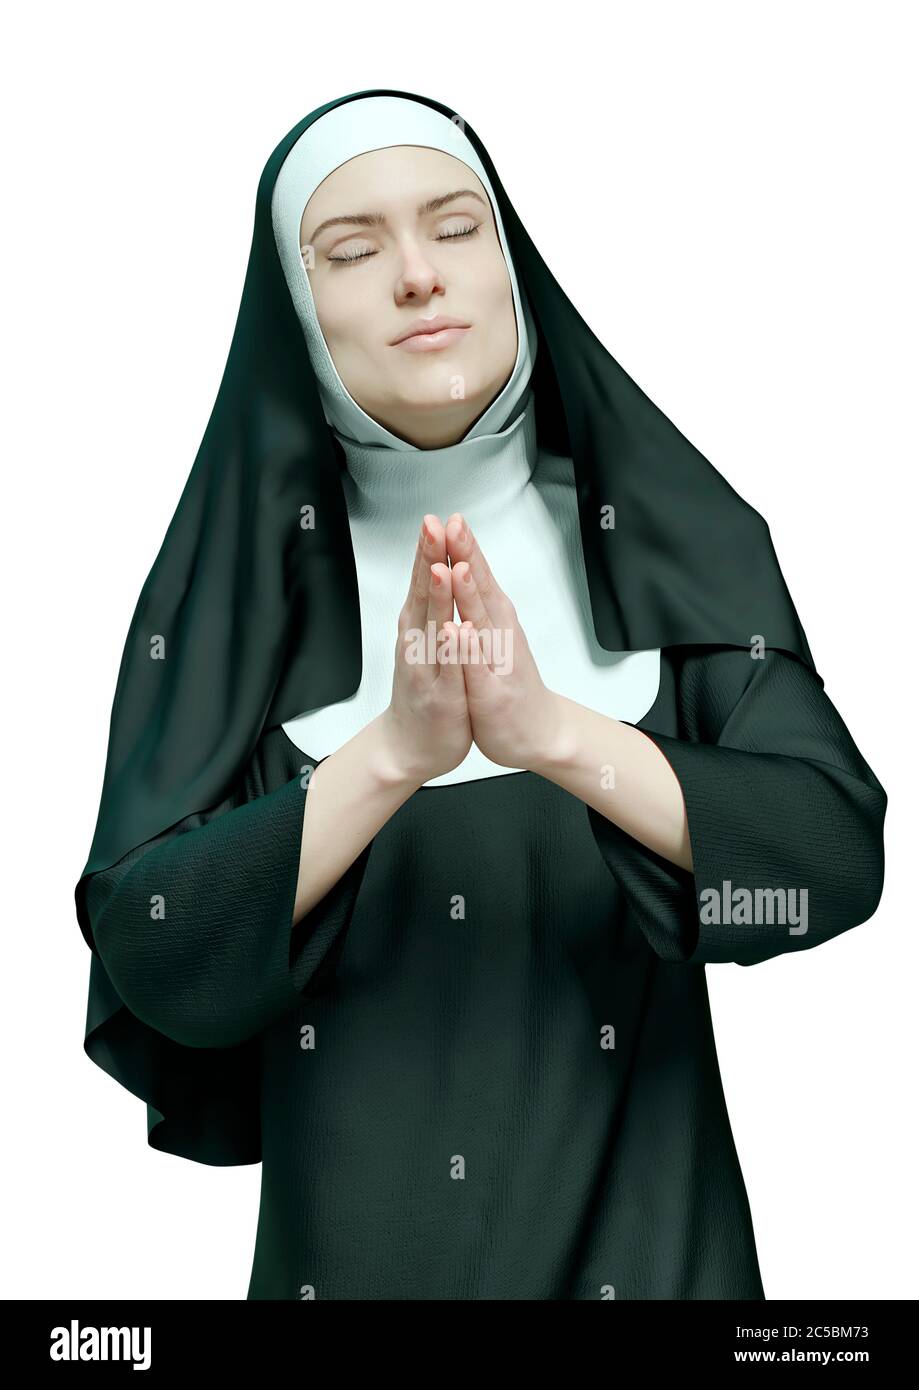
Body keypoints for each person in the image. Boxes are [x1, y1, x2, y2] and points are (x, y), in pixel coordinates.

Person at [75, 89, 887, 1301]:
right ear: (295, 305)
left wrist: (553, 733)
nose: (419, 273)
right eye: (352, 249)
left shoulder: (660, 545)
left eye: (457, 227)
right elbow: (154, 952)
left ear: (510, 263)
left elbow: (831, 864)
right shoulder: (233, 604)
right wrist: (391, 754)